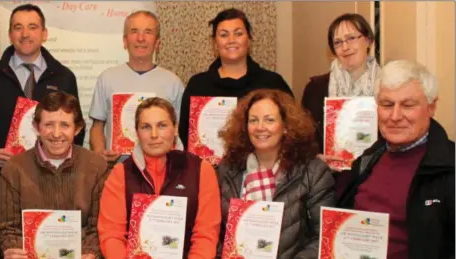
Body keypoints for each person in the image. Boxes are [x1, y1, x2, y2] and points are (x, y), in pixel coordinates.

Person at [297, 60, 454, 259]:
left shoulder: (449, 167)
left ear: (431, 107)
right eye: (386, 104)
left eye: (407, 105)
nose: (395, 116)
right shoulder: (370, 158)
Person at [200, 89, 335, 259]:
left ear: (286, 126)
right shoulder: (229, 168)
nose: (261, 127)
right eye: (253, 120)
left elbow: (325, 233)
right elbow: (216, 224)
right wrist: (217, 256)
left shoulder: (312, 170)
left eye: (270, 119)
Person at [98, 97, 221, 259]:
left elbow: (206, 232)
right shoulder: (120, 174)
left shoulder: (200, 170)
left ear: (175, 128)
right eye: (146, 127)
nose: (154, 134)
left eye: (162, 125)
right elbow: (111, 234)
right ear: (137, 133)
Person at [0, 91, 109, 259]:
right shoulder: (15, 168)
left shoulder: (96, 166)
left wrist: (92, 255)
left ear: (78, 128)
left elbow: (99, 225)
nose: (56, 133)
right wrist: (12, 250)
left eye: (65, 125)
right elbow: (7, 227)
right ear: (36, 127)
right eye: (48, 124)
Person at [0, 4, 83, 177]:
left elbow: (77, 129)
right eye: (18, 27)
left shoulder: (64, 77)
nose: (25, 34)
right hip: (3, 175)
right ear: (10, 35)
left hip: (51, 177)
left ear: (44, 34)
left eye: (32, 27)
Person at [179, 8, 293, 151]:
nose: (231, 40)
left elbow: (292, 131)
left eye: (238, 34)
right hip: (211, 170)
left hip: (265, 170)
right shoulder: (198, 85)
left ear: (249, 39)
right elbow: (184, 134)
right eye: (224, 35)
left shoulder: (273, 83)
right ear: (215, 43)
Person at [89, 10, 185, 163]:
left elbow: (179, 130)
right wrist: (100, 151)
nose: (141, 38)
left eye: (148, 32)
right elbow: (97, 125)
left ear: (157, 42)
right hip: (118, 169)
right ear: (125, 41)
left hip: (162, 172)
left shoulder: (173, 82)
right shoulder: (107, 78)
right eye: (134, 31)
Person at [301, 13, 380, 169]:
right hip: (329, 177)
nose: (345, 47)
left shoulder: (387, 86)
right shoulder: (316, 88)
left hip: (375, 172)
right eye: (338, 42)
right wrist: (314, 158)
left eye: (351, 38)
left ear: (369, 40)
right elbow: (302, 139)